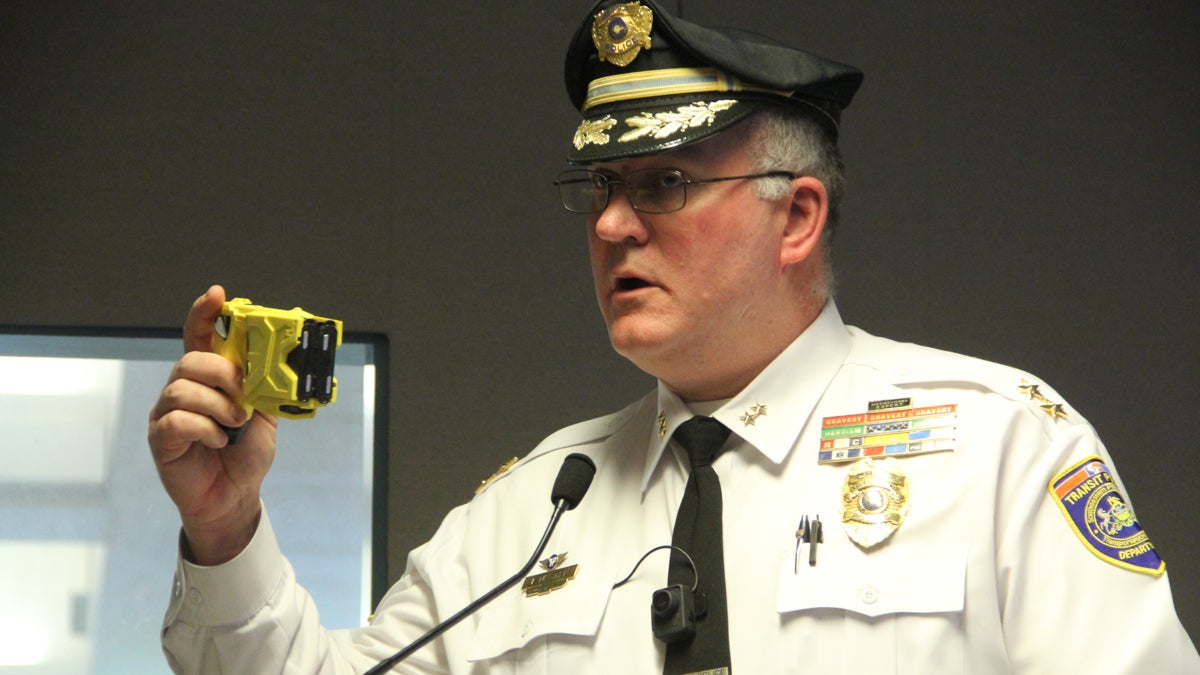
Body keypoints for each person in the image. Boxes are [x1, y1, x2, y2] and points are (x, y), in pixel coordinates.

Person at [148, 1, 1200, 672]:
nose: (612, 224)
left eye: (668, 184)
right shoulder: (528, 515)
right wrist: (226, 530)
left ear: (797, 218)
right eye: (604, 188)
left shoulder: (999, 449)